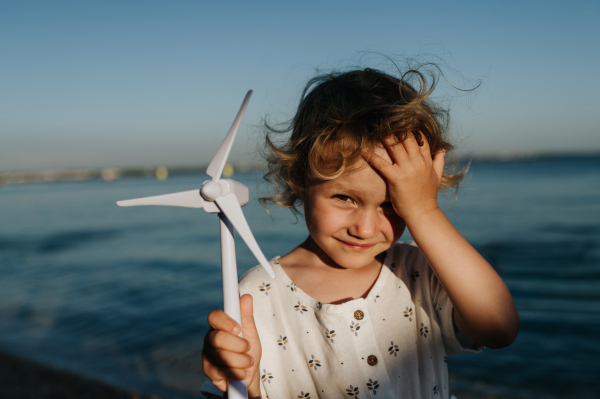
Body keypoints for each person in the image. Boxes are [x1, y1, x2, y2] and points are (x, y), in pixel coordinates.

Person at [201, 67, 520, 399]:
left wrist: (425, 212)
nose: (365, 229)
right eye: (344, 197)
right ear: (299, 178)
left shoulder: (420, 272)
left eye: (394, 204)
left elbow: (500, 328)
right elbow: (237, 384)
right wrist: (245, 385)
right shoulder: (259, 294)